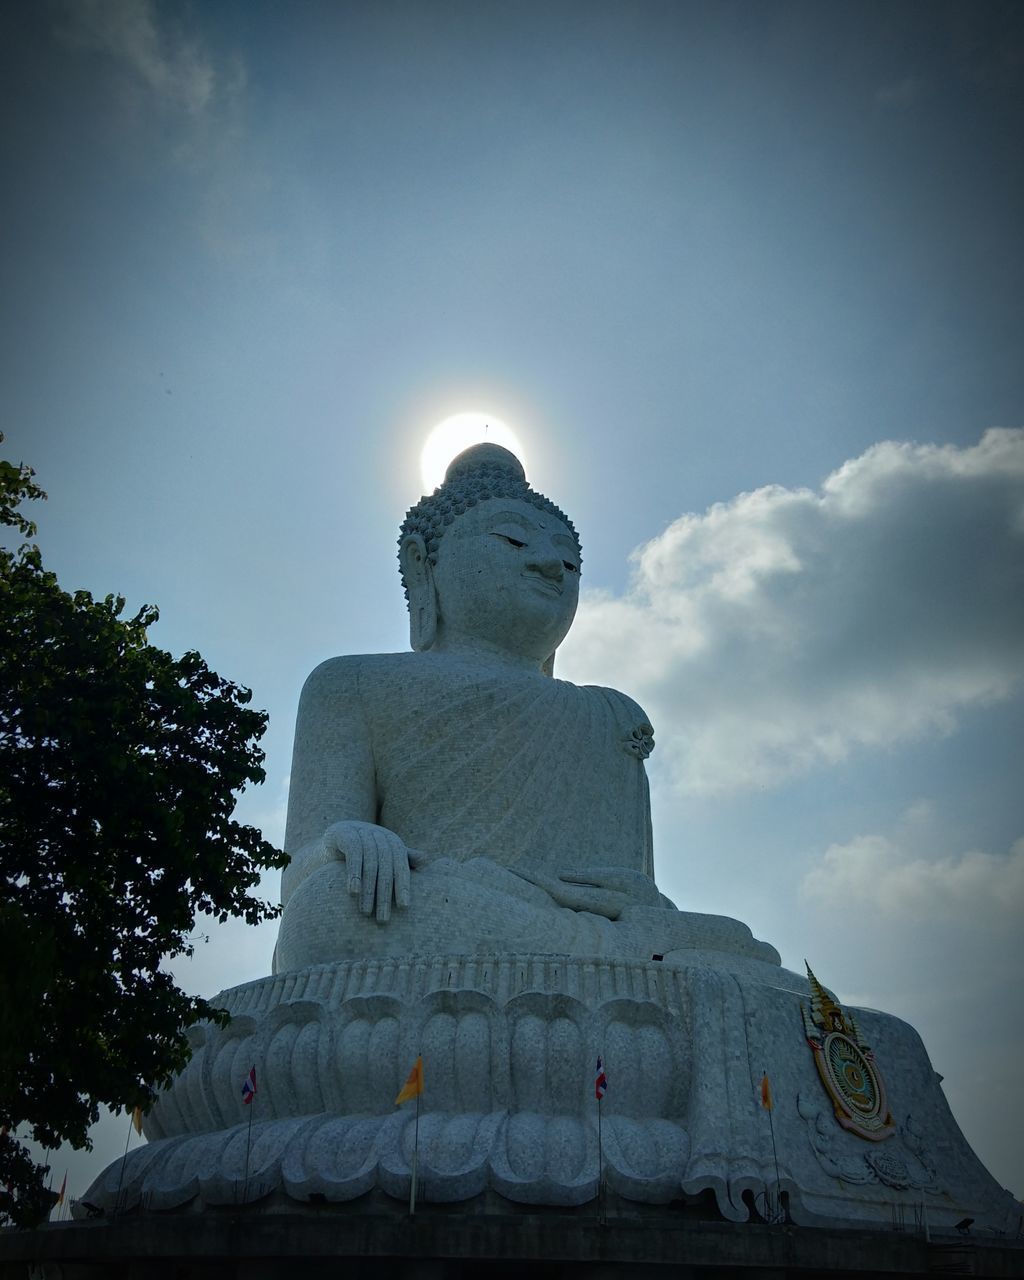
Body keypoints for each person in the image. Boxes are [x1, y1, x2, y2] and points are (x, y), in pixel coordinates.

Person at [274, 444, 779, 973]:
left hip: (535, 931)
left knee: (737, 956)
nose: (547, 566)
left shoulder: (610, 714)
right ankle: (624, 961)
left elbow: (623, 896)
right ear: (424, 564)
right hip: (438, 908)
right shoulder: (350, 682)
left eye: (568, 561)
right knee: (328, 908)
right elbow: (301, 884)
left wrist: (644, 906)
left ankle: (623, 956)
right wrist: (345, 840)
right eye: (512, 539)